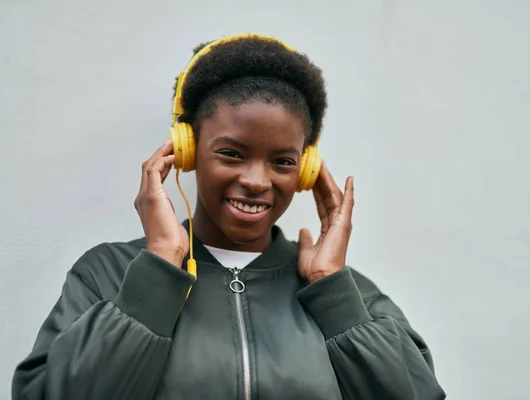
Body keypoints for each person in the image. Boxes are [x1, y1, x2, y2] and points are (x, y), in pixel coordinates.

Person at [12, 33, 446, 400]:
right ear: (186, 152)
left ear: (306, 170)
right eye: (231, 154)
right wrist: (161, 266)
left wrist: (331, 290)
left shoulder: (354, 298)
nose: (257, 180)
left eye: (282, 162)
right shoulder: (106, 275)